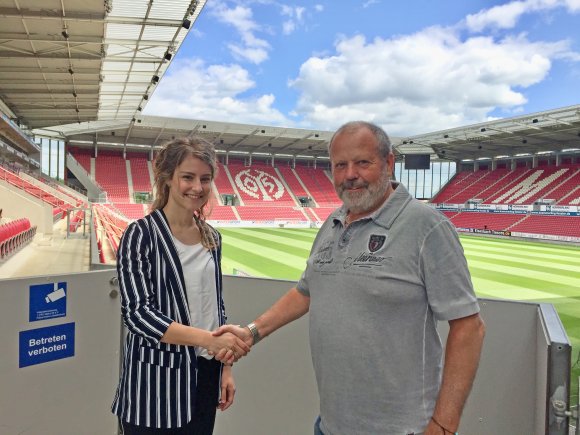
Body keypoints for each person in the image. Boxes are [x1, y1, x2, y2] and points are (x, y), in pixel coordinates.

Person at [214, 121, 486, 435]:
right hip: (330, 425)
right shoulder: (333, 221)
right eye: (340, 165)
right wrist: (252, 332)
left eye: (362, 162)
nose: (349, 175)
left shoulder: (427, 228)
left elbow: (469, 326)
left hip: (403, 429)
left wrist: (443, 424)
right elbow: (307, 289)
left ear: (388, 163)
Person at [111, 136, 250, 434]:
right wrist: (208, 340)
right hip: (155, 384)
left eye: (205, 179)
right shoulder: (140, 234)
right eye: (188, 177)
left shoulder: (211, 236)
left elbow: (216, 306)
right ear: (168, 179)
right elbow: (137, 314)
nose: (197, 187)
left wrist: (225, 366)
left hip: (206, 373)